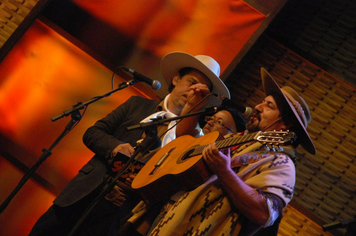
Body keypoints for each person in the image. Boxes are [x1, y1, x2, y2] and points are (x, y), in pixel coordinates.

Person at [29, 51, 230, 236]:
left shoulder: (194, 137)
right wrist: (115, 147)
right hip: (83, 194)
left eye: (201, 91)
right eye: (191, 82)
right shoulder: (137, 105)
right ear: (176, 79)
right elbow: (93, 133)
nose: (192, 91)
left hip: (120, 215)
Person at [146, 67, 316, 235]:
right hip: (166, 219)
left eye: (269, 106)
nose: (257, 106)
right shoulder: (236, 139)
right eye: (262, 101)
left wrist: (225, 172)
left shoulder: (282, 163)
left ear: (285, 124)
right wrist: (193, 104)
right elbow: (185, 139)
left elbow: (265, 214)